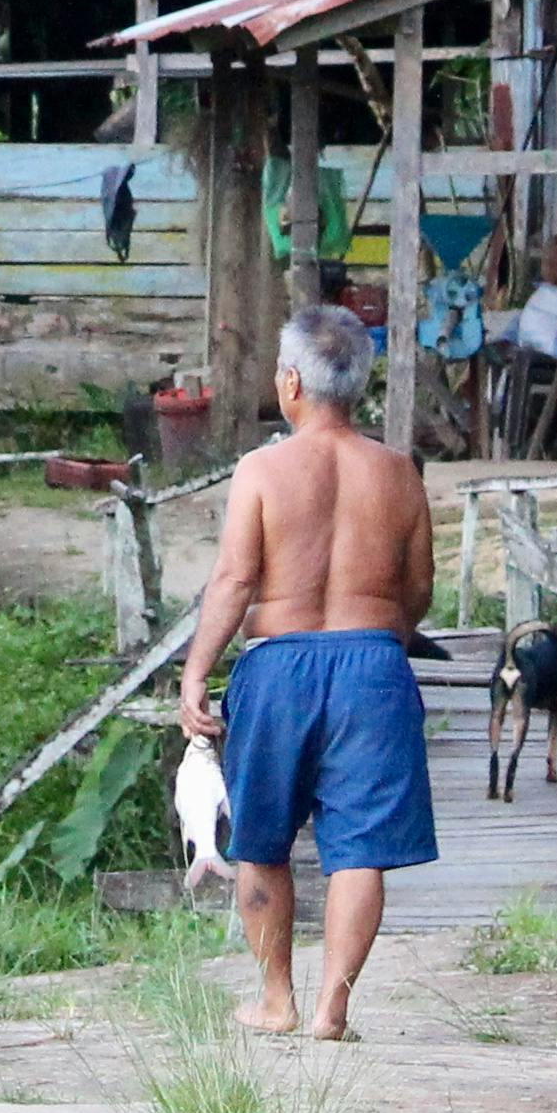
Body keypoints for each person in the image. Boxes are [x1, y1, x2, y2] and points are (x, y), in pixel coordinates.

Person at [174, 300, 439, 1038]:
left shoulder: (261, 469)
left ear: (291, 382)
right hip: (374, 666)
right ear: (359, 385)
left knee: (261, 838)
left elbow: (231, 580)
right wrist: (381, 641)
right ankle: (333, 1010)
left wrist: (197, 674)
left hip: (278, 665)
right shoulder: (398, 474)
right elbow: (419, 589)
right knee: (360, 846)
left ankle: (277, 1001)